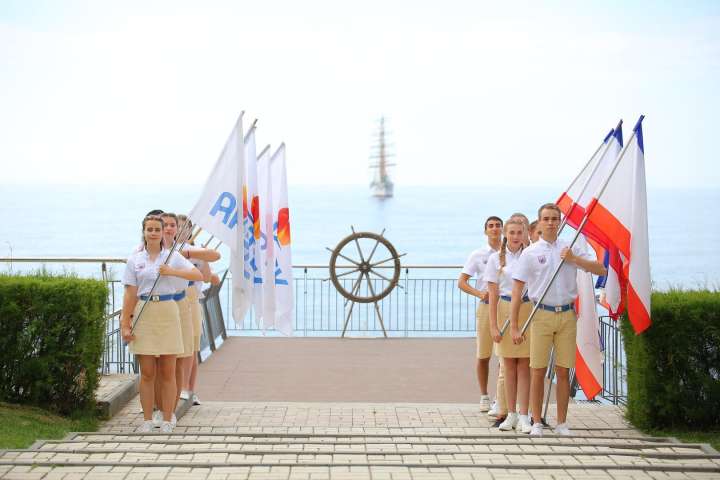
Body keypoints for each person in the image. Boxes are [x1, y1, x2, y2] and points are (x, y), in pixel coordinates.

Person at [510, 203, 606, 436]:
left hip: (567, 315)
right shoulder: (530, 253)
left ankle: (562, 423)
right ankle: (536, 422)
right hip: (541, 315)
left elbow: (601, 270)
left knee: (563, 371)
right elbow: (517, 289)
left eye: (555, 219)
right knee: (537, 371)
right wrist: (514, 326)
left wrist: (575, 259)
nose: (551, 223)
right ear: (540, 222)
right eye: (546, 219)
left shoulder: (570, 247)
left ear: (560, 221)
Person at [120, 215, 202, 433]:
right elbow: (130, 294)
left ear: (162, 232)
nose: (154, 233)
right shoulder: (135, 260)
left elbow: (196, 274)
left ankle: (167, 418)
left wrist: (172, 271)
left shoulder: (172, 256)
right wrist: (125, 324)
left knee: (168, 370)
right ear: (144, 232)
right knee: (147, 372)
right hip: (144, 312)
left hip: (168, 311)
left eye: (157, 229)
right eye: (150, 229)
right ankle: (147, 419)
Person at [485, 217, 532, 433]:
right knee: (509, 366)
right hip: (504, 309)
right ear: (505, 234)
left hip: (527, 309)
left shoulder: (530, 256)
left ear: (525, 234)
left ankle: (524, 415)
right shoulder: (495, 259)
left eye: (519, 232)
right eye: (511, 232)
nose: (515, 236)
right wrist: (493, 325)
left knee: (525, 366)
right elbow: (492, 294)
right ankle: (510, 413)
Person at [458, 216, 504, 415]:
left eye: (498, 226)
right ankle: (484, 395)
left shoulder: (510, 253)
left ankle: (500, 397)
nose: (494, 229)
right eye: (491, 226)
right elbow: (461, 282)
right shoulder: (478, 255)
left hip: (506, 306)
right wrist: (479, 293)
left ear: (502, 229)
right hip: (486, 307)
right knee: (483, 355)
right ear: (485, 231)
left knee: (505, 356)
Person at [177, 214, 221, 406]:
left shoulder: (196, 252)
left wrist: (203, 257)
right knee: (175, 349)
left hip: (192, 301)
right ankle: (176, 389)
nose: (181, 230)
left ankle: (189, 389)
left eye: (185, 227)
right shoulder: (167, 252)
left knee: (192, 349)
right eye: (178, 226)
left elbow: (208, 277)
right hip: (173, 301)